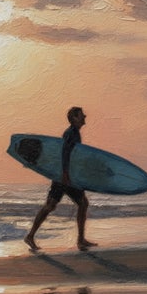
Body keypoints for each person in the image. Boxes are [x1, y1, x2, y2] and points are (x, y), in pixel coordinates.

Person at [25, 106, 98, 252]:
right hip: (64, 177)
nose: (84, 117)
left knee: (78, 203)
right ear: (74, 118)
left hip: (67, 176)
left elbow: (74, 155)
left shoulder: (74, 133)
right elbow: (64, 152)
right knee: (54, 205)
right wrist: (65, 173)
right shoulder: (71, 133)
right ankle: (32, 236)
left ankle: (80, 240)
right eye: (81, 115)